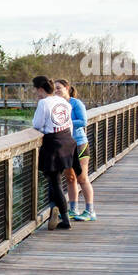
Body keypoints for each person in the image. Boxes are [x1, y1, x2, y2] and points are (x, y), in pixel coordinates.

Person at [32, 75, 75, 230]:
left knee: (55, 183)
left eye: (36, 89)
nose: (36, 93)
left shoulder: (44, 103)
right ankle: (53, 213)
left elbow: (36, 124)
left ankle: (65, 218)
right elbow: (68, 122)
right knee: (54, 180)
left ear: (40, 89)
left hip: (53, 144)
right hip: (67, 141)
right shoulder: (63, 101)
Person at [54, 79, 96, 221]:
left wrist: (66, 123)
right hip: (65, 145)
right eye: (54, 89)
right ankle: (73, 210)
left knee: (82, 178)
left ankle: (90, 211)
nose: (56, 91)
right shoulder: (57, 105)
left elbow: (83, 121)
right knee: (70, 178)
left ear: (67, 88)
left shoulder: (75, 103)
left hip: (79, 144)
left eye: (59, 88)